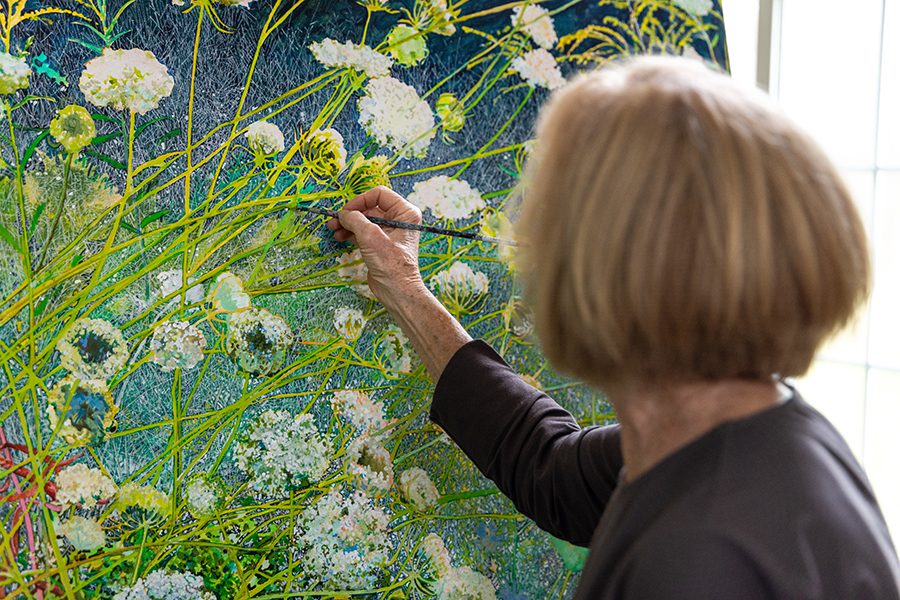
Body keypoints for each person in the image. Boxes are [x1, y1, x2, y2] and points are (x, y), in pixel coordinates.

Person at [327, 56, 900, 599]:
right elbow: (552, 468)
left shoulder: (702, 558)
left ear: (624, 266)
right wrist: (407, 289)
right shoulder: (752, 436)